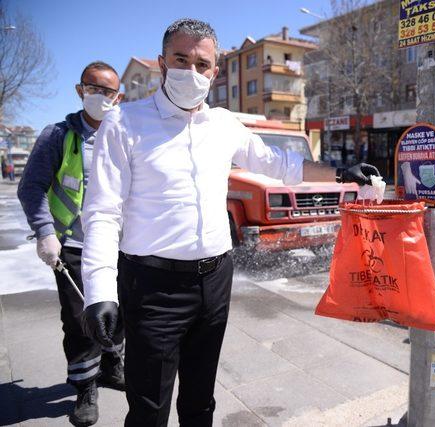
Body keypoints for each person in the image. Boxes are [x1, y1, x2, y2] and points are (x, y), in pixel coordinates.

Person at [80, 19, 379, 427]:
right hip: (152, 288)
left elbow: (279, 164)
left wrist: (341, 172)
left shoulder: (223, 124)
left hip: (215, 281)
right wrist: (99, 291)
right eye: (181, 59)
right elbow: (102, 212)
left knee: (201, 402)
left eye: (202, 64)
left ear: (214, 71)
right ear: (163, 63)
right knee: (149, 408)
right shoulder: (125, 123)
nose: (192, 71)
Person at [17, 61, 126, 426]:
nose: (100, 96)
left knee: (119, 313)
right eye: (92, 88)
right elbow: (30, 187)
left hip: (121, 246)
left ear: (118, 96)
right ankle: (85, 387)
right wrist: (45, 232)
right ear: (80, 90)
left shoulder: (125, 134)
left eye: (107, 91)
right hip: (76, 247)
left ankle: (112, 365)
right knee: (81, 320)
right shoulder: (58, 135)